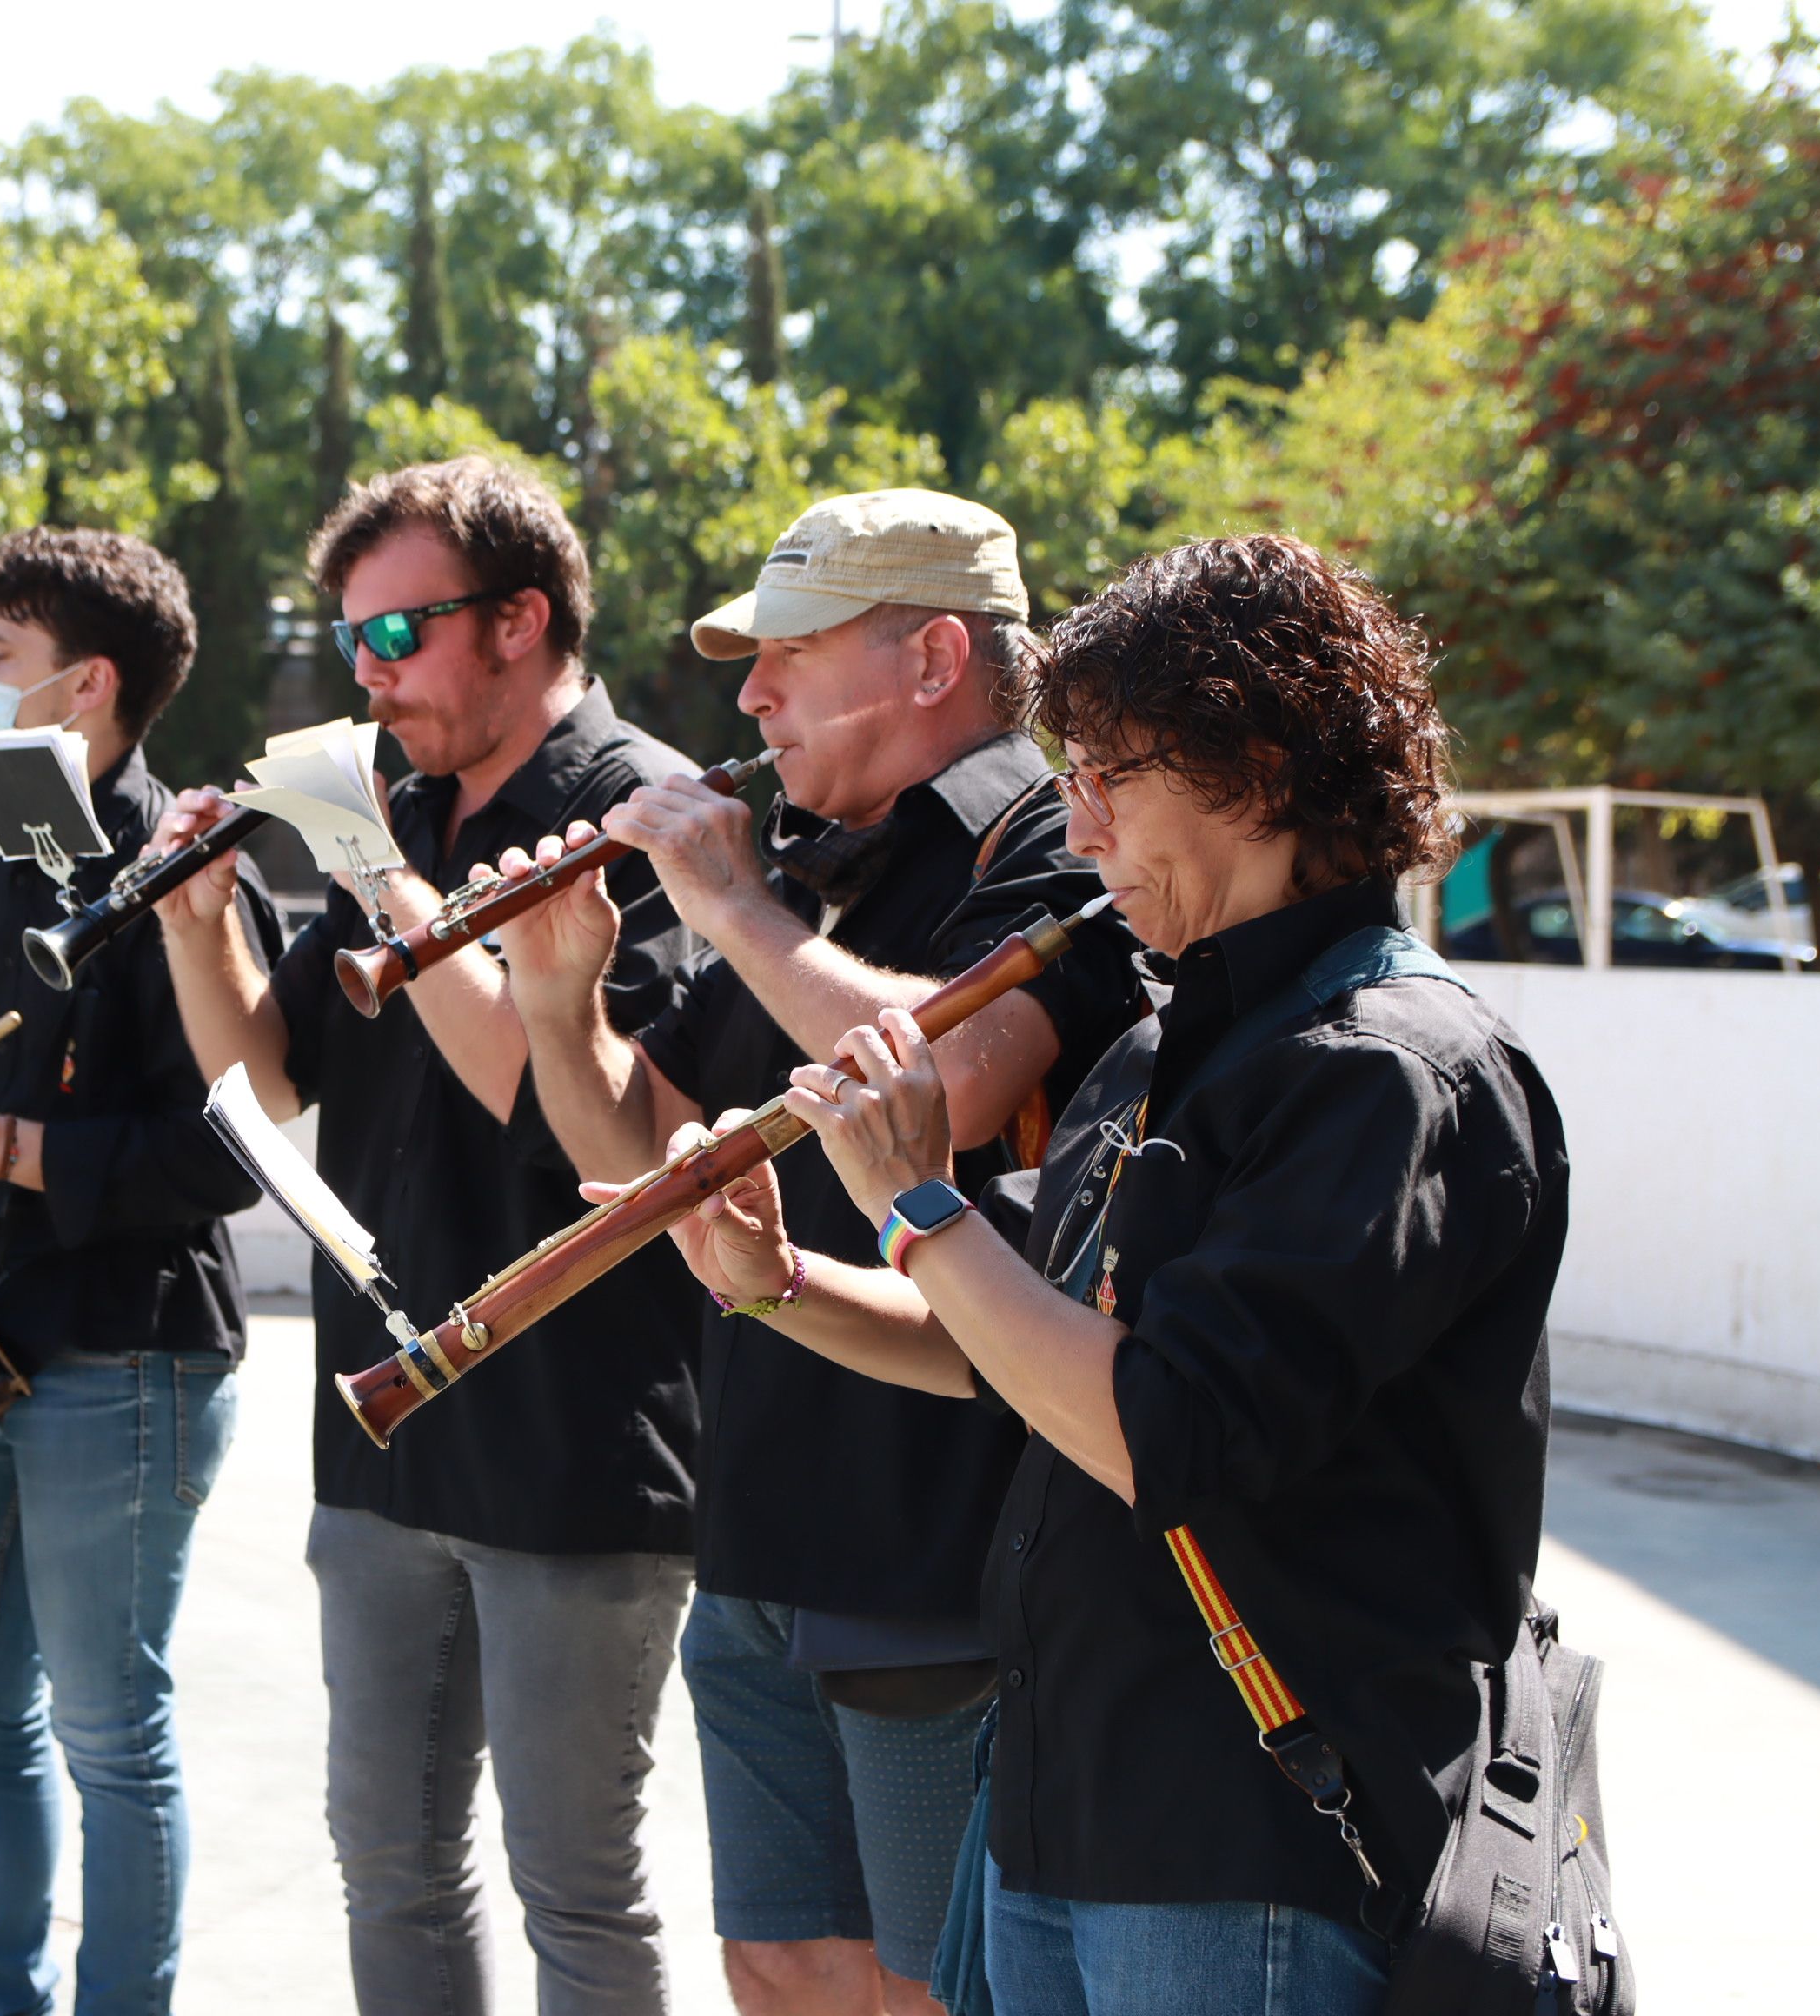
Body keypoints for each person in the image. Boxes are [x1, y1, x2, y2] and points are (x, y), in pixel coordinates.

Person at [657, 534, 1571, 2016]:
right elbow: (1003, 1345)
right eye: (1069, 780)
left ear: (1260, 770)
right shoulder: (1163, 1045)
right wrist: (781, 1285)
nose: (1077, 835)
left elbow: (1157, 1429)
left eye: (1110, 781)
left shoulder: (1389, 1074)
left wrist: (910, 1203)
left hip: (1245, 1840)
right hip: (1056, 1806)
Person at [488, 491, 1141, 2013]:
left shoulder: (1049, 838)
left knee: (935, 1986)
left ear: (930, 658)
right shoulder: (809, 859)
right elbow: (625, 1159)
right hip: (763, 1524)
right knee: (777, 1966)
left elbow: (954, 1084)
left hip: (939, 1543)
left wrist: (723, 899)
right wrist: (554, 992)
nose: (746, 696)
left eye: (786, 651)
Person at [150, 457, 706, 2013]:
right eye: (351, 647)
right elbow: (264, 1082)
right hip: (387, 1427)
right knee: (387, 1864)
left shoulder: (634, 809)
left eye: (397, 637)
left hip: (573, 1431)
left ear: (521, 621)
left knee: (575, 1891)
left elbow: (545, 1100)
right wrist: (205, 931)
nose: (367, 679)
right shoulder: (398, 811)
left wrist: (372, 865)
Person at [0, 527, 282, 2016]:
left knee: (106, 1733)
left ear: (87, 686)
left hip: (128, 1348)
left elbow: (227, 1156)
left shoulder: (194, 862)